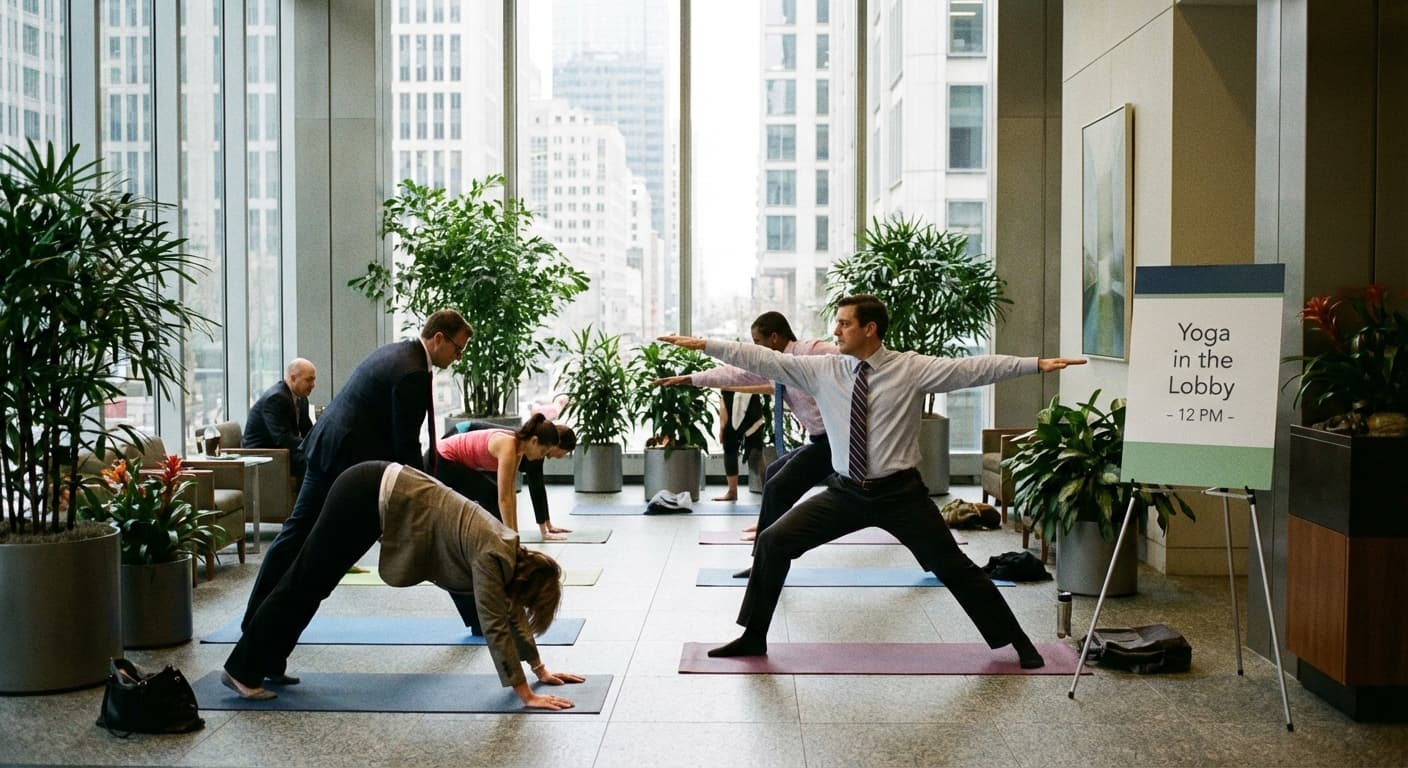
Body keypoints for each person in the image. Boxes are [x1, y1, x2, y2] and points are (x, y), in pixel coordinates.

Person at [660, 294, 1087, 667]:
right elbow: (765, 359)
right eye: (837, 323)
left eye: (844, 323)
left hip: (901, 494)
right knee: (773, 541)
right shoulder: (824, 369)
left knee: (955, 568)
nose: (836, 330)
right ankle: (753, 636)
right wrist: (704, 345)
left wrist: (1034, 365)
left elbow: (971, 369)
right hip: (846, 493)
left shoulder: (911, 369)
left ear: (870, 329)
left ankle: (1018, 642)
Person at [221, 460, 585, 709]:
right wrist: (525, 693)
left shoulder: (511, 552)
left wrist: (540, 670)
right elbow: (496, 626)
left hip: (375, 491)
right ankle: (241, 669)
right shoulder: (493, 558)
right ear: (527, 586)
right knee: (304, 580)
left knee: (315, 585)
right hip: (365, 491)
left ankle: (269, 660)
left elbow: (511, 613)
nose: (525, 609)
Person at [240, 309, 472, 683]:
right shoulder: (412, 368)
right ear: (439, 338)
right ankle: (256, 636)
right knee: (300, 548)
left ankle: (260, 642)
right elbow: (405, 443)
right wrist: (425, 493)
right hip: (340, 459)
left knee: (296, 545)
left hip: (337, 451)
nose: (457, 359)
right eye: (457, 350)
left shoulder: (403, 354)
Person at [655, 312, 837, 577]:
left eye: (757, 340)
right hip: (822, 441)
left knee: (777, 485)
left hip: (837, 442)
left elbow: (849, 357)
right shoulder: (775, 367)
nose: (755, 346)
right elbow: (735, 375)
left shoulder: (809, 351)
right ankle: (768, 538)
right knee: (775, 475)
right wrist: (690, 380)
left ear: (774, 338)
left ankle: (766, 562)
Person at [433, 415, 575, 540]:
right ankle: (500, 545)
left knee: (495, 495)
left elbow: (510, 495)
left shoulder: (518, 450)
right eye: (543, 451)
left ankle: (505, 543)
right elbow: (504, 498)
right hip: (443, 458)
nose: (542, 457)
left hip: (451, 458)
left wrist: (515, 534)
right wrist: (512, 539)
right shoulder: (508, 447)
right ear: (534, 441)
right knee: (493, 495)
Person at [243, 358, 317, 478]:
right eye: (309, 380)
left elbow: (307, 430)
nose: (313, 385)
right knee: (314, 462)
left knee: (323, 458)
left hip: (283, 450)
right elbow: (283, 438)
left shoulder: (301, 397)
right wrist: (313, 447)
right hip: (264, 455)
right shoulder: (275, 399)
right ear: (293, 378)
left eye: (313, 380)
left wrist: (321, 443)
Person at [712, 390, 765, 501]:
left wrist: (722, 429)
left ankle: (733, 492)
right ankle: (733, 492)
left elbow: (723, 411)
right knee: (754, 450)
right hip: (746, 395)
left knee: (753, 451)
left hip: (744, 394)